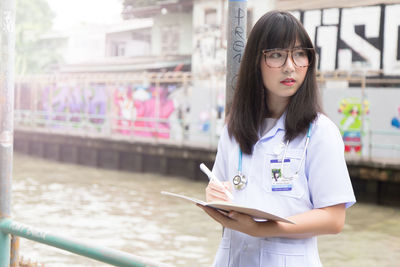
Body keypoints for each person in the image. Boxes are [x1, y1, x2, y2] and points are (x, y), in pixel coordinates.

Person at [197, 10, 356, 267]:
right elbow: (222, 188)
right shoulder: (234, 128)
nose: (290, 66)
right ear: (255, 63)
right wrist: (216, 195)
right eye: (276, 55)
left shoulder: (320, 132)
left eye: (299, 54)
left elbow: (334, 219)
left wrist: (263, 229)